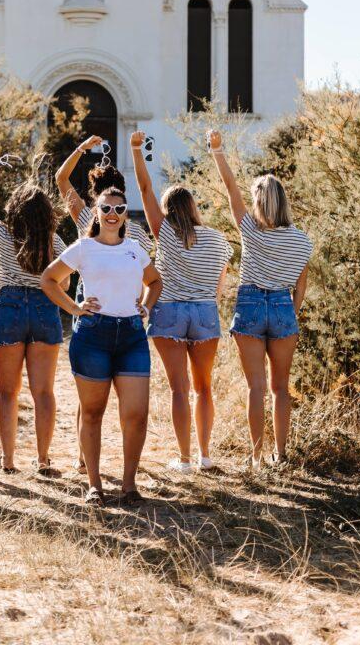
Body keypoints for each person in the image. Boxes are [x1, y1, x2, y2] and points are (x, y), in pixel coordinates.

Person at [41, 187, 163, 507]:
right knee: (93, 413)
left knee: (136, 415)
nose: (112, 214)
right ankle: (94, 486)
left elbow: (155, 282)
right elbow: (48, 279)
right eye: (106, 208)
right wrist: (74, 308)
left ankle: (129, 486)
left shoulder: (135, 249)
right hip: (93, 336)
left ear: (125, 214)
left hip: (132, 337)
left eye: (119, 209)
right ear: (96, 212)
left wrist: (146, 307)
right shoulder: (84, 248)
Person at [208, 129, 312, 468]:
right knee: (281, 388)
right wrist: (289, 312)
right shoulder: (302, 241)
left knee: (256, 387)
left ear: (259, 202)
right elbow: (301, 287)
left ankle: (255, 457)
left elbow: (230, 187)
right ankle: (280, 455)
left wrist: (217, 150)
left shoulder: (251, 230)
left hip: (251, 303)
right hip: (283, 306)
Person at [130, 131, 232, 473]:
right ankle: (205, 456)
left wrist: (136, 150)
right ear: (193, 208)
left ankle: (185, 459)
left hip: (170, 311)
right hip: (205, 312)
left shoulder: (166, 234)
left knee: (179, 389)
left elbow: (145, 188)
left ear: (168, 211)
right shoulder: (218, 239)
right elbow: (219, 288)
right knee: (204, 389)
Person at [55, 135, 153, 471]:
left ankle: (83, 456)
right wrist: (142, 303)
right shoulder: (136, 231)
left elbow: (61, 180)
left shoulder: (87, 219)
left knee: (88, 395)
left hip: (91, 306)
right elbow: (146, 275)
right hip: (125, 311)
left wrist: (81, 148)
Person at [0, 158, 67, 476]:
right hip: (44, 309)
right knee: (43, 392)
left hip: (9, 307)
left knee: (7, 392)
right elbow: (64, 284)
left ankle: (8, 460)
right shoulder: (55, 243)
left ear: (15, 210)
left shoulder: (2, 236)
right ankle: (43, 460)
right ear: (47, 214)